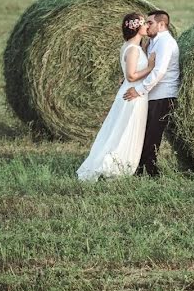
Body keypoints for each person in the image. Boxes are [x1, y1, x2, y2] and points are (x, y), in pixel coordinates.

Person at [77, 14, 156, 181]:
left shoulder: (131, 46)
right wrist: (150, 67)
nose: (147, 27)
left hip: (131, 93)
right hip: (132, 95)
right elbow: (131, 76)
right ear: (136, 28)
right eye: (143, 24)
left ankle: (121, 162)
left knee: (120, 128)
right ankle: (116, 165)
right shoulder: (133, 49)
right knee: (126, 129)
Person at [123, 10, 179, 177]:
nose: (146, 26)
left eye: (150, 23)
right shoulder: (154, 41)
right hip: (152, 94)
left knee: (153, 134)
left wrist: (139, 90)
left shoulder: (166, 43)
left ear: (161, 24)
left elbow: (159, 71)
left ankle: (151, 171)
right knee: (146, 133)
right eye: (145, 23)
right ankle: (139, 169)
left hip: (163, 94)